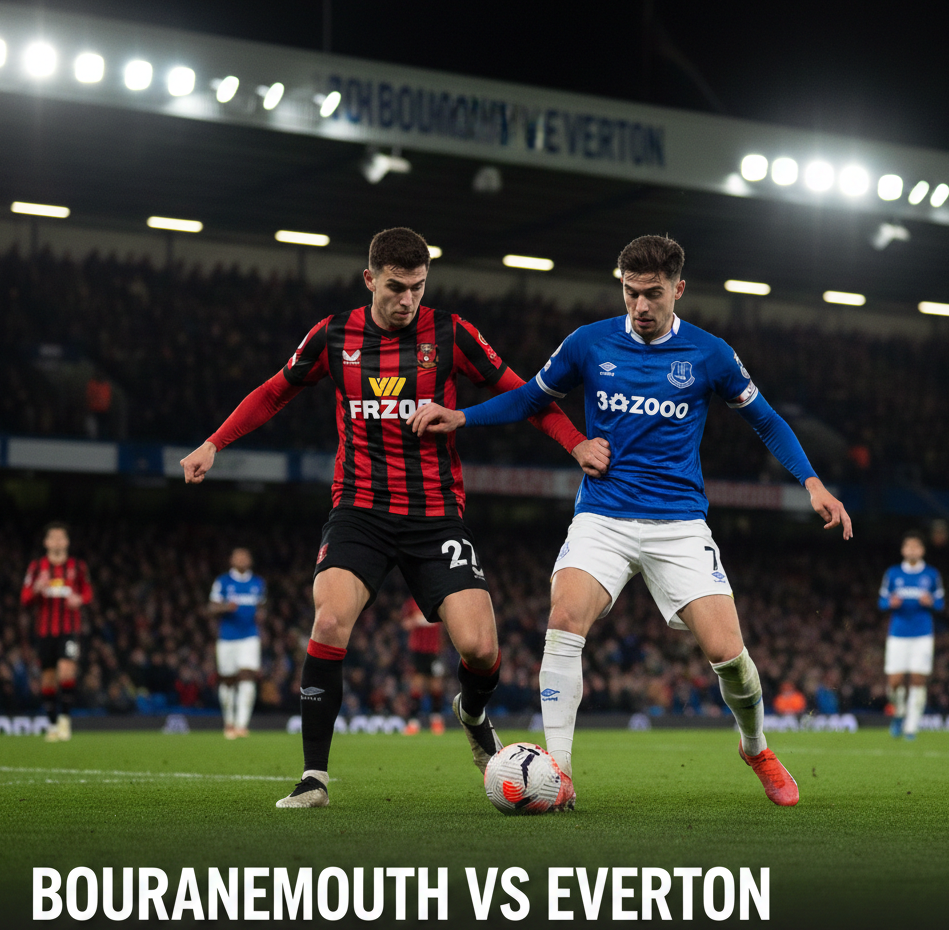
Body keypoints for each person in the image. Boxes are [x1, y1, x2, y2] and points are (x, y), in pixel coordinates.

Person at [411, 234, 852, 808]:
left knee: (730, 658)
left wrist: (812, 482)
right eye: (630, 292)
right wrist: (463, 416)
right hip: (603, 515)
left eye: (652, 294)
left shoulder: (710, 353)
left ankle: (755, 746)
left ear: (678, 289)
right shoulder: (589, 343)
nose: (640, 306)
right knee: (564, 617)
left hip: (680, 525)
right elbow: (529, 398)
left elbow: (765, 421)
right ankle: (559, 773)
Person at [180, 227, 607, 808]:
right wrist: (214, 442)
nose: (407, 300)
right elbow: (274, 392)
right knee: (329, 622)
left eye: (418, 287)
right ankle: (314, 779)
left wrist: (576, 442)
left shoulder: (452, 332)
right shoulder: (333, 336)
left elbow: (524, 392)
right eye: (396, 287)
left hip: (436, 515)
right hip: (359, 509)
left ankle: (472, 712)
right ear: (369, 279)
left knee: (481, 650)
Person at [20, 522, 93, 742]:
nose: (58, 541)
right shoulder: (36, 568)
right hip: (44, 632)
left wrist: (80, 599)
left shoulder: (77, 567)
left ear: (67, 542)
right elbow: (24, 599)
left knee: (66, 669)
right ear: (46, 542)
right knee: (48, 679)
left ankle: (64, 721)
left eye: (62, 537)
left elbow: (88, 592)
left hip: (69, 628)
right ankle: (52, 725)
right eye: (54, 537)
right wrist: (36, 590)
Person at [879, 531, 944, 739]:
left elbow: (941, 603)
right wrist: (890, 603)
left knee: (918, 679)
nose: (913, 550)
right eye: (909, 546)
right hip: (898, 633)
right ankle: (899, 713)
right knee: (894, 681)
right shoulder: (893, 573)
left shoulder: (932, 574)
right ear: (903, 550)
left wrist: (931, 602)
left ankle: (911, 727)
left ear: (922, 550)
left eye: (917, 547)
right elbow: (881, 602)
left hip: (923, 633)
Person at [209, 548, 266, 739]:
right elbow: (212, 607)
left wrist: (261, 618)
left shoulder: (258, 583)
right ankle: (229, 722)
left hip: (250, 635)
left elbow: (262, 607)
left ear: (250, 560)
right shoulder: (223, 581)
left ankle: (242, 725)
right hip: (227, 637)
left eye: (245, 556)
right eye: (238, 556)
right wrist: (226, 607)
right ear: (231, 560)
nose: (242, 559)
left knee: (247, 675)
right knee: (228, 680)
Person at [400, 596, 446, 734]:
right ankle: (414, 722)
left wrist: (422, 620)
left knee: (436, 685)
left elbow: (443, 620)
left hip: (434, 651)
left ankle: (436, 720)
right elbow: (405, 623)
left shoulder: (438, 599)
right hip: (418, 651)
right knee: (416, 686)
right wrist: (417, 621)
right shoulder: (411, 602)